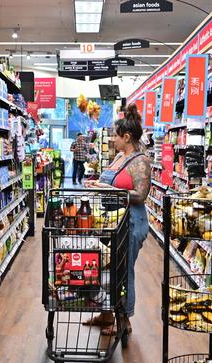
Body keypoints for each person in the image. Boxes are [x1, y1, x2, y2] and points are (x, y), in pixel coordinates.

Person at [83, 103, 151, 335]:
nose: (112, 140)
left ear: (127, 137)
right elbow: (110, 183)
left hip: (131, 222)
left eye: (115, 136)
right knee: (109, 267)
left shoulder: (140, 161)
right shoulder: (121, 157)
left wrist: (107, 189)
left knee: (123, 270)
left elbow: (140, 196)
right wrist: (97, 184)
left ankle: (125, 321)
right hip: (113, 221)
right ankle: (106, 314)